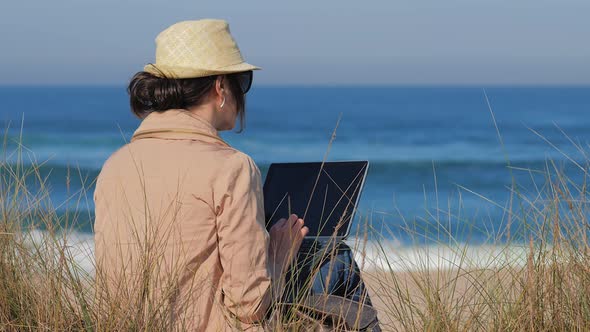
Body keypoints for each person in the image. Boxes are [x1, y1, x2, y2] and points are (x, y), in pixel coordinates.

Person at [93, 19, 308, 331]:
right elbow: (249, 306)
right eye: (242, 81)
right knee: (334, 261)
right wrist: (277, 257)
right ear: (220, 87)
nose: (243, 93)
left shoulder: (115, 166)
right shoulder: (232, 167)